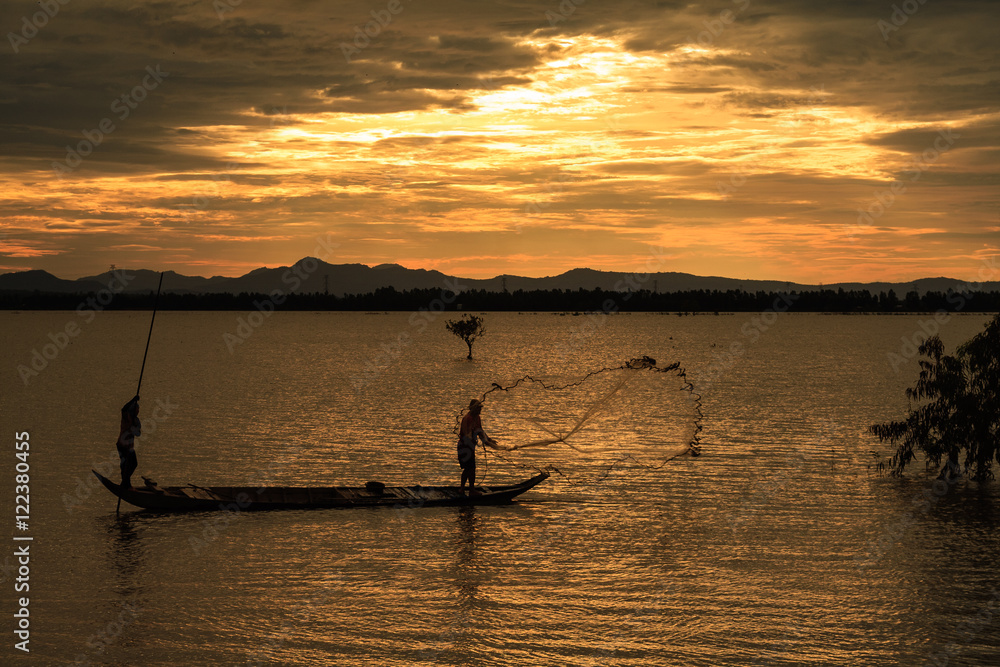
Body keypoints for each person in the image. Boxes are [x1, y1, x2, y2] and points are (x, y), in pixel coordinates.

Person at [457, 399, 496, 496]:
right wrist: (478, 439)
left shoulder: (477, 418)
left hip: (470, 447)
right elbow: (467, 434)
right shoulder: (468, 418)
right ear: (474, 408)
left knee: (471, 468)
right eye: (479, 408)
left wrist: (489, 440)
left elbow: (480, 430)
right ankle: (467, 490)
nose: (480, 410)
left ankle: (468, 489)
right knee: (468, 468)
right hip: (464, 446)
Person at [117, 395, 141, 490]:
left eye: (138, 409)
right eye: (136, 409)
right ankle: (126, 483)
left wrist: (134, 428)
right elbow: (124, 408)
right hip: (122, 445)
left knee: (133, 463)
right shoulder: (126, 416)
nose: (138, 411)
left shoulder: (136, 420)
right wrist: (133, 399)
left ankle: (125, 482)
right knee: (125, 465)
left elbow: (138, 433)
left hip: (130, 447)